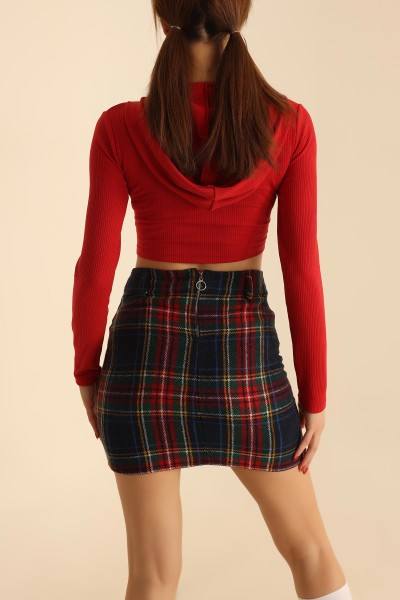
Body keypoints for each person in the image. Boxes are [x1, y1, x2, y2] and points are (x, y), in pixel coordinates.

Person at [71, 2, 353, 599]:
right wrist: (315, 395)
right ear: (238, 11)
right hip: (243, 351)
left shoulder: (120, 126)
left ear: (163, 12)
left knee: (151, 577)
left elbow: (95, 263)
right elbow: (303, 271)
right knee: (310, 551)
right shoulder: (290, 124)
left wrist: (88, 372)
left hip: (144, 353)